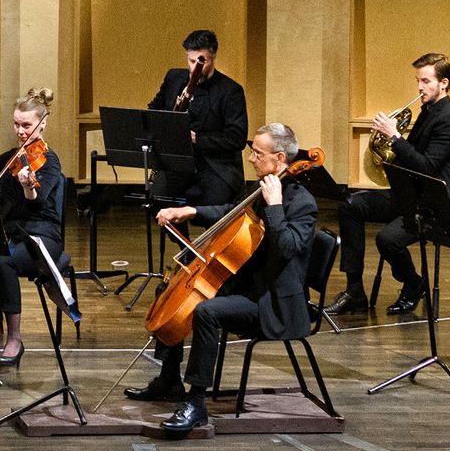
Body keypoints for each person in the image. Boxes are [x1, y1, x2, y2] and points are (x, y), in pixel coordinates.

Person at [125, 123, 317, 435]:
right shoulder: (259, 190)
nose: (251, 158)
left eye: (257, 153)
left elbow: (287, 248)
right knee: (171, 287)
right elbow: (230, 211)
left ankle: (196, 403)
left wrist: (276, 207)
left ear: (280, 158)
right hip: (245, 287)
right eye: (251, 151)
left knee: (206, 311)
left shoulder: (301, 203)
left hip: (271, 304)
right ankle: (169, 379)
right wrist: (189, 211)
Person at [325, 53, 450, 315]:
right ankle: (354, 291)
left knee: (387, 239)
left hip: (439, 205)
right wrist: (391, 141)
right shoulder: (427, 112)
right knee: (351, 205)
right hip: (413, 195)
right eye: (418, 81)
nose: (419, 87)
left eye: (426, 81)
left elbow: (427, 167)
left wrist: (395, 137)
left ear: (444, 83)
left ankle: (414, 283)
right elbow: (411, 158)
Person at [0, 88, 62, 369]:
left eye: (26, 125)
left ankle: (15, 339)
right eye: (16, 124)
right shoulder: (11, 157)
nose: (20, 130)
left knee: (3, 260)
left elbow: (37, 201)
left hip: (42, 235)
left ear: (42, 124)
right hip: (12, 233)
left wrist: (28, 185)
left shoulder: (49, 161)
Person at [147, 30, 248, 209]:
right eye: (191, 61)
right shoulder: (174, 78)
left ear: (214, 56)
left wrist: (196, 139)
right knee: (157, 199)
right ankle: (183, 239)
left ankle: (208, 238)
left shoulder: (230, 91)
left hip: (214, 166)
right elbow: (154, 109)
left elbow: (236, 139)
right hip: (179, 162)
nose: (195, 68)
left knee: (213, 206)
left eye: (202, 61)